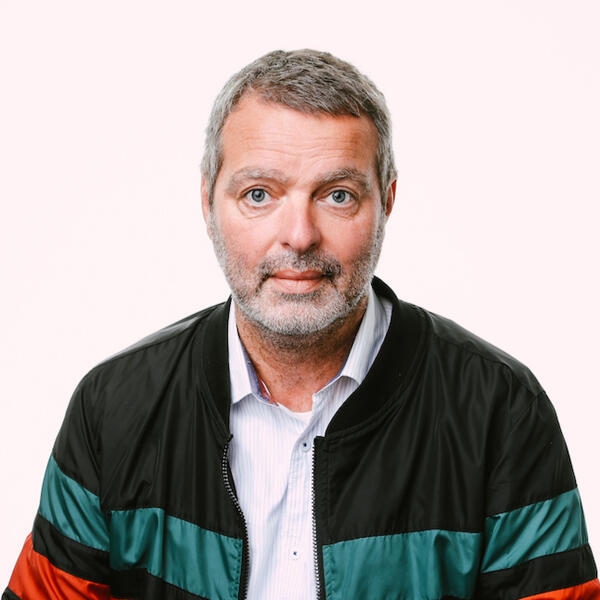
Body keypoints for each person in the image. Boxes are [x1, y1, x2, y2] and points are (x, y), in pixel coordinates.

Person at [3, 49, 598, 600]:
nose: (299, 236)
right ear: (207, 202)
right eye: (259, 194)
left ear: (387, 202)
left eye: (337, 196)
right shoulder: (113, 408)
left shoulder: (500, 410)